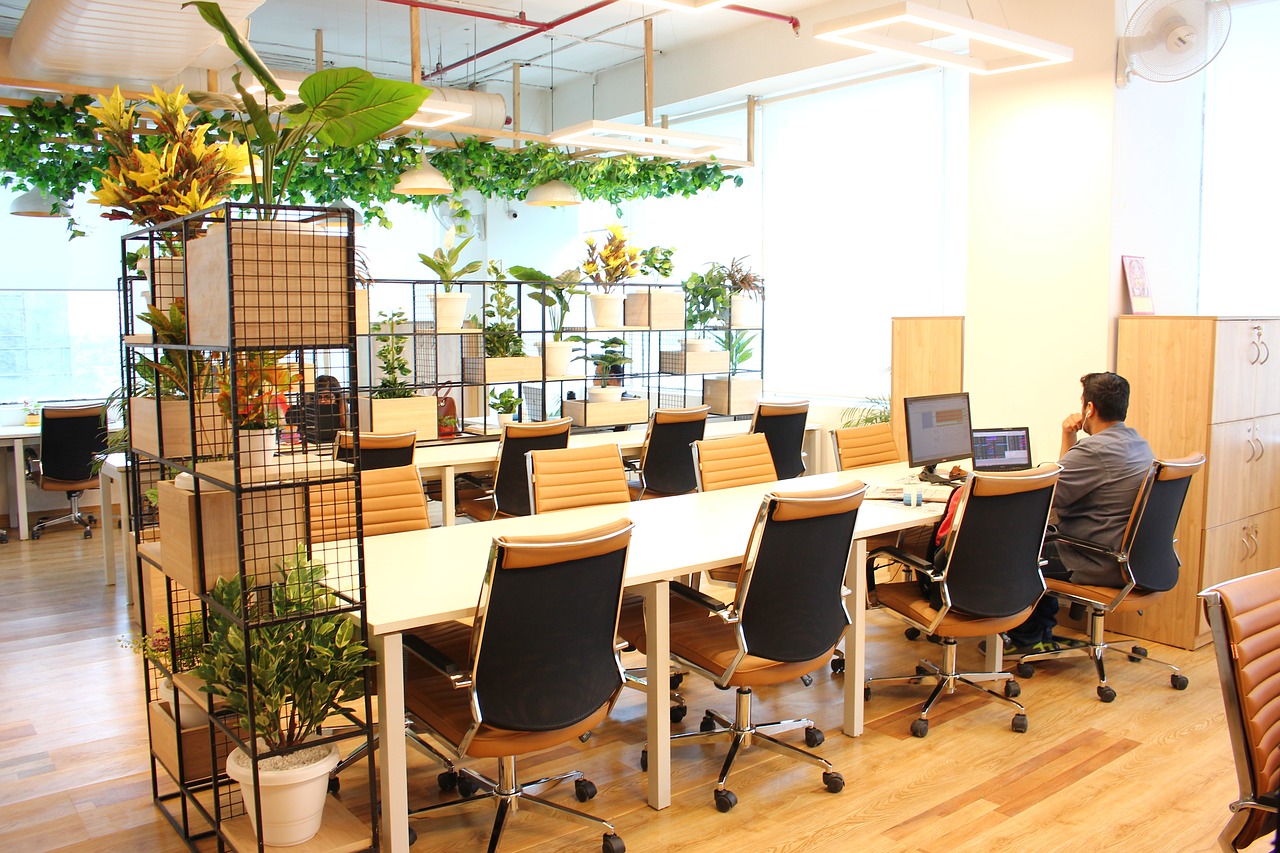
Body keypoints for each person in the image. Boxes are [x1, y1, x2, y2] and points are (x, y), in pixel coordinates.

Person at [1003, 371, 1154, 654]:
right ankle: (1038, 630)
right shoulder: (1137, 443)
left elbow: (1051, 497)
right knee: (1042, 540)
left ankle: (1028, 637)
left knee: (1018, 550)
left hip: (1096, 557)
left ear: (1090, 408)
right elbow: (1066, 481)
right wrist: (1068, 435)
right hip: (1129, 556)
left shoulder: (1094, 451)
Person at [286, 374, 347, 445]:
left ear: (337, 398)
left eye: (328, 397)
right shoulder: (305, 412)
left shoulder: (346, 415)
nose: (323, 401)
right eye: (319, 397)